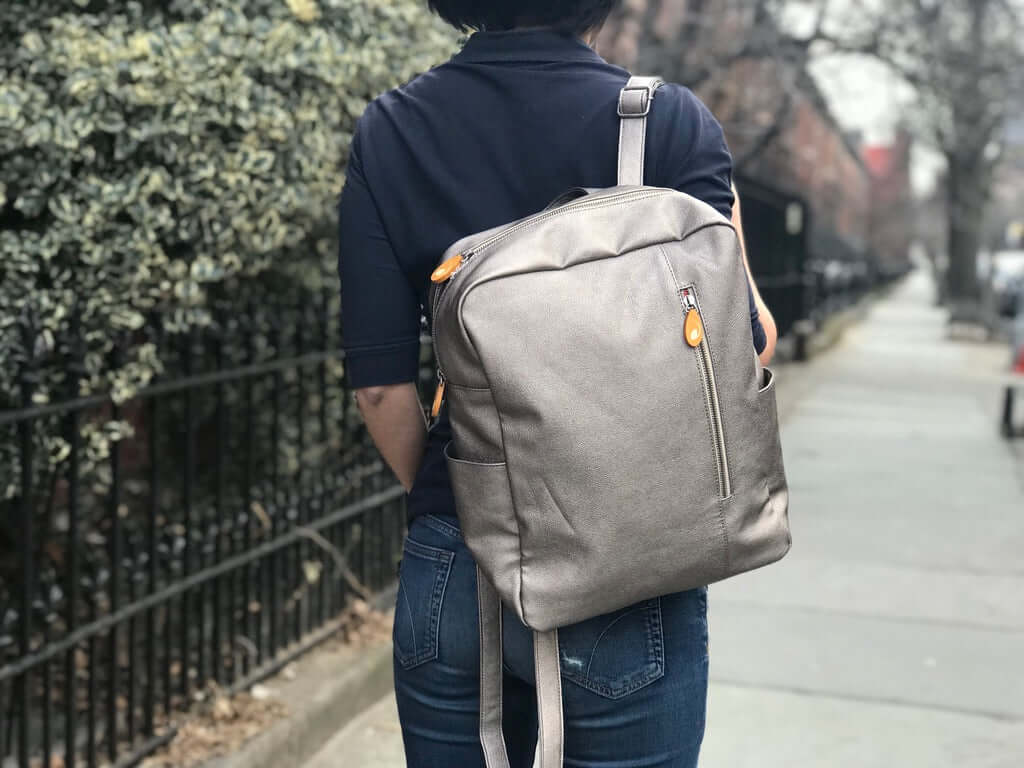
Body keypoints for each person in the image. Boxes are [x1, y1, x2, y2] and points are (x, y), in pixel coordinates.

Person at [337, 2, 777, 765]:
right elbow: (748, 344)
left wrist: (465, 501)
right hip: (624, 564)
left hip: (453, 565)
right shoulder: (667, 122)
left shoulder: (392, 127)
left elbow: (380, 389)